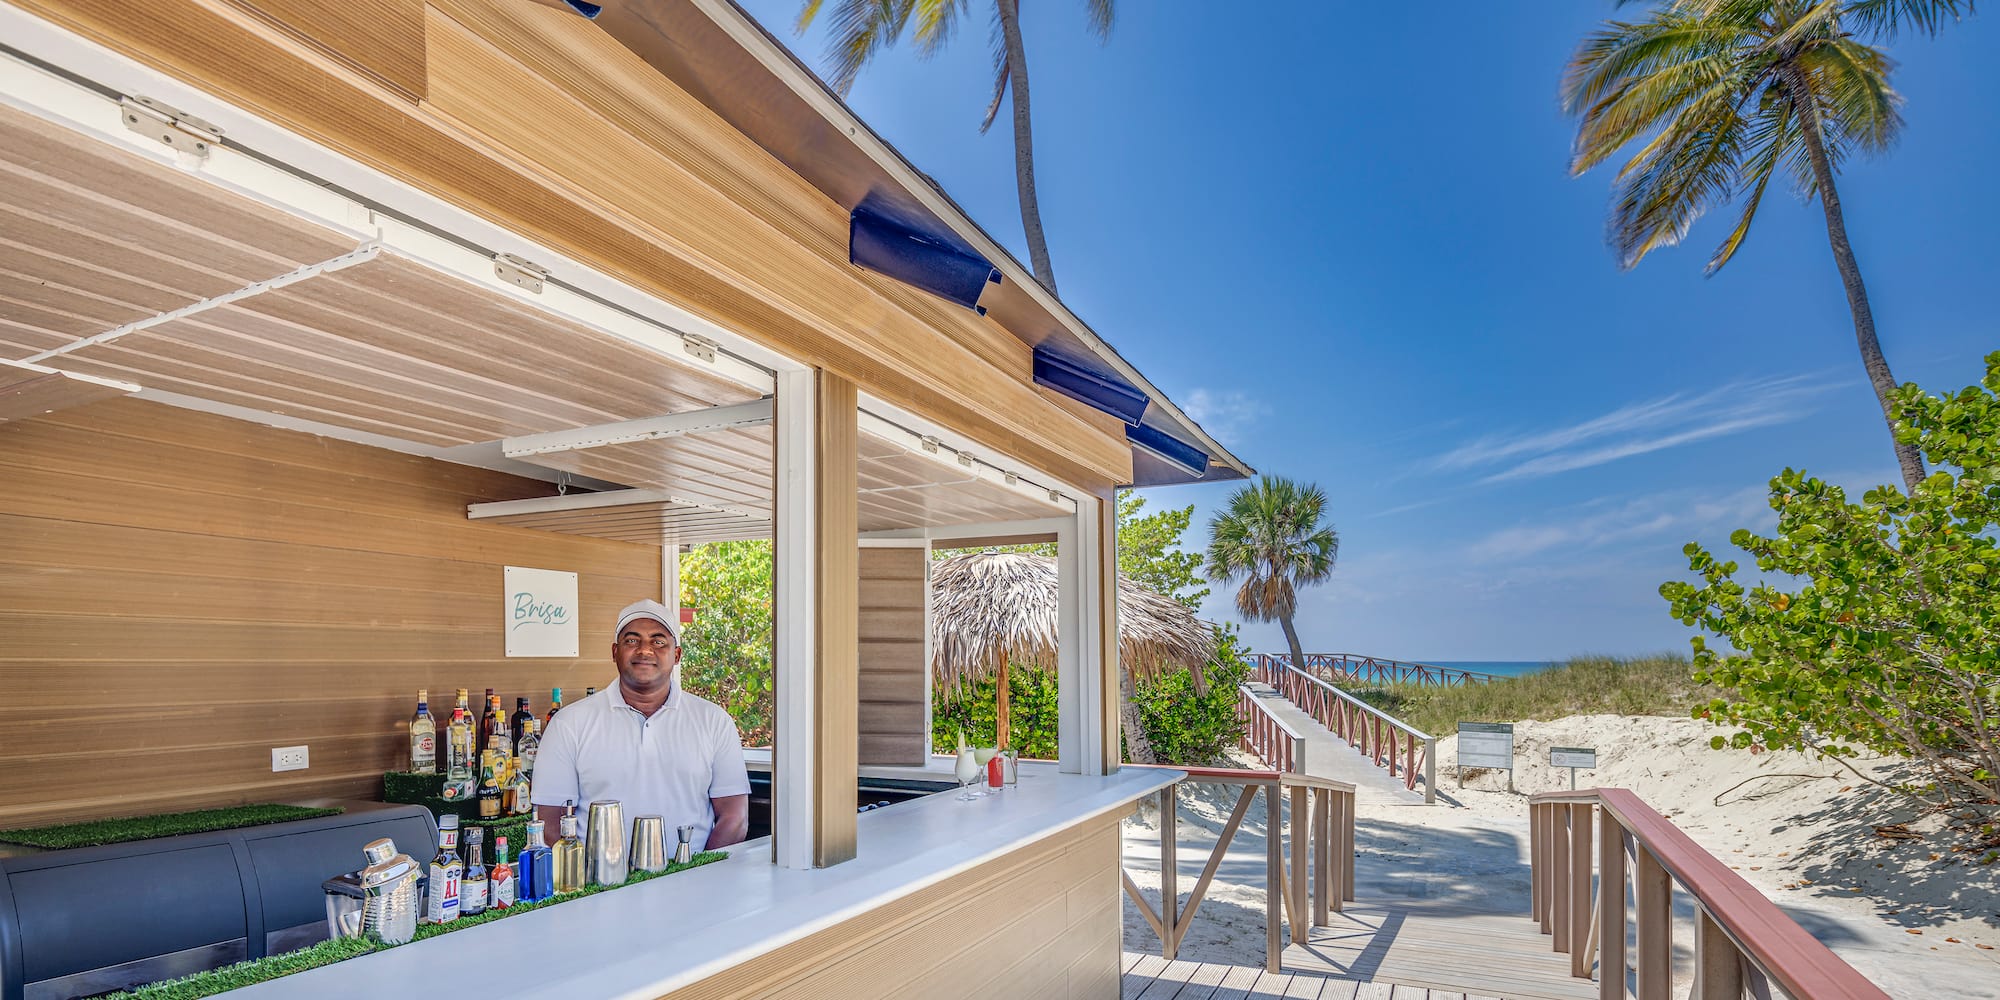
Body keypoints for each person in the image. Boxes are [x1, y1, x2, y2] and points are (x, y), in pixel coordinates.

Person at [530, 600, 750, 850]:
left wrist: (700, 874)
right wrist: (587, 884)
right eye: (632, 641)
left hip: (693, 880)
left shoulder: (714, 721)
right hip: (600, 887)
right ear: (615, 652)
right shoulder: (569, 724)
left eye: (658, 642)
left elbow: (735, 818)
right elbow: (548, 825)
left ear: (676, 655)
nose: (645, 650)